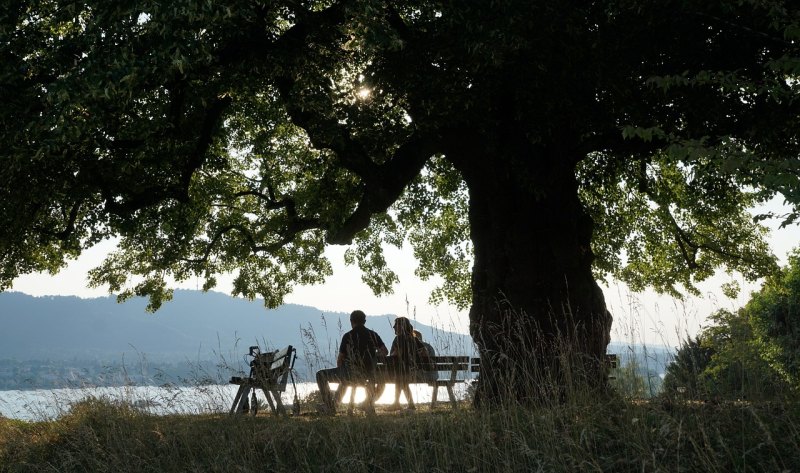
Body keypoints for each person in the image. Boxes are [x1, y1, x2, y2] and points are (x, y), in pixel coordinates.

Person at [315, 310, 388, 414]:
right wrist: (374, 355)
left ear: (351, 321)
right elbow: (385, 351)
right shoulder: (373, 334)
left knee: (320, 375)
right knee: (344, 379)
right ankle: (332, 405)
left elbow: (340, 358)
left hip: (349, 373)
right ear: (365, 321)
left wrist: (341, 370)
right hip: (368, 374)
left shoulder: (348, 336)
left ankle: (329, 405)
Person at [388, 317, 430, 410]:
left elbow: (397, 354)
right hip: (414, 372)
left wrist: (393, 354)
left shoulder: (399, 338)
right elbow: (425, 353)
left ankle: (406, 404)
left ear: (401, 326)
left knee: (400, 378)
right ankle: (399, 403)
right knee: (401, 379)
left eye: (396, 325)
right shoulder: (414, 339)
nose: (394, 327)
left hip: (402, 371)